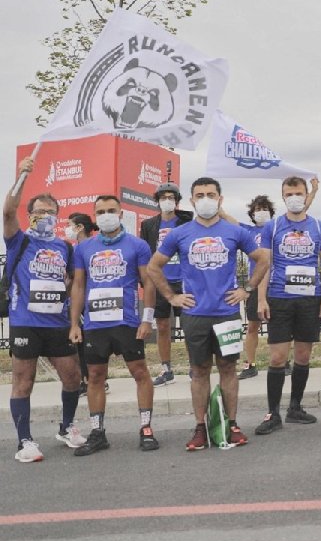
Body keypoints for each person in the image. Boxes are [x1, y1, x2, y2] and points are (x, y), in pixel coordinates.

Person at [147, 177, 270, 451]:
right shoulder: (180, 233)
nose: (205, 199)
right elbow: (154, 266)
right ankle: (200, 428)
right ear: (192, 201)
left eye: (211, 194)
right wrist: (171, 297)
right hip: (195, 314)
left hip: (227, 313)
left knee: (228, 368)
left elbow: (263, 258)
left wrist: (247, 289)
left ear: (220, 199)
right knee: (199, 370)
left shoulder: (234, 231)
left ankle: (232, 424)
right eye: (200, 195)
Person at [5, 158, 85, 461]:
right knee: (23, 381)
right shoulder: (19, 240)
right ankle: (24, 441)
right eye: (39, 212)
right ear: (30, 215)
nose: (46, 217)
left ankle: (66, 427)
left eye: (51, 213)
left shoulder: (65, 247)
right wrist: (22, 176)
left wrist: (72, 317)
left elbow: (72, 281)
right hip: (25, 321)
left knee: (73, 377)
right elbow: (8, 211)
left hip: (57, 323)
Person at [67, 195, 159, 454]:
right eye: (100, 212)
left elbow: (148, 282)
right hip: (95, 324)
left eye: (110, 210)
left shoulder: (137, 245)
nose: (106, 215)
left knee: (140, 372)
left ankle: (146, 428)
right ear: (95, 217)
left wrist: (147, 319)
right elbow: (78, 286)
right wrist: (74, 324)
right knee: (95, 376)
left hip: (127, 322)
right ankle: (98, 433)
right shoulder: (83, 248)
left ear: (120, 214)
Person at [253, 176, 321, 436]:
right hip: (279, 297)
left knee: (303, 356)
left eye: (298, 193)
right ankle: (273, 413)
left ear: (306, 195)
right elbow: (264, 265)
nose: (294, 197)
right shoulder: (272, 227)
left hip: (310, 298)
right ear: (283, 196)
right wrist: (261, 298)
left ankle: (295, 407)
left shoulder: (318, 226)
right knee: (278, 357)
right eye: (289, 193)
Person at [140, 182, 191, 388]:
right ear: (157, 201)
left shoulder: (186, 222)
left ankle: (194, 366)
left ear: (177, 201)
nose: (167, 201)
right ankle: (166, 368)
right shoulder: (149, 225)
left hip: (184, 280)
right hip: (161, 281)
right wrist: (146, 280)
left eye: (171, 197)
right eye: (163, 198)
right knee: (162, 325)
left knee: (189, 325)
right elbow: (145, 254)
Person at [237, 195, 274, 380]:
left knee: (278, 326)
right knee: (252, 326)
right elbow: (229, 220)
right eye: (258, 209)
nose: (262, 212)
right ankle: (250, 364)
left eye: (265, 208)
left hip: (275, 283)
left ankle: (282, 362)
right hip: (255, 283)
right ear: (252, 214)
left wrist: (313, 192)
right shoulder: (248, 231)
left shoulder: (277, 229)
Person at [65, 212, 98, 393]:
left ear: (80, 227)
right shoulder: (75, 248)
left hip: (87, 301)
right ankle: (88, 379)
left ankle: (90, 380)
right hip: (80, 300)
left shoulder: (86, 247)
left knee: (84, 342)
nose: (67, 229)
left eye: (69, 225)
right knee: (81, 342)